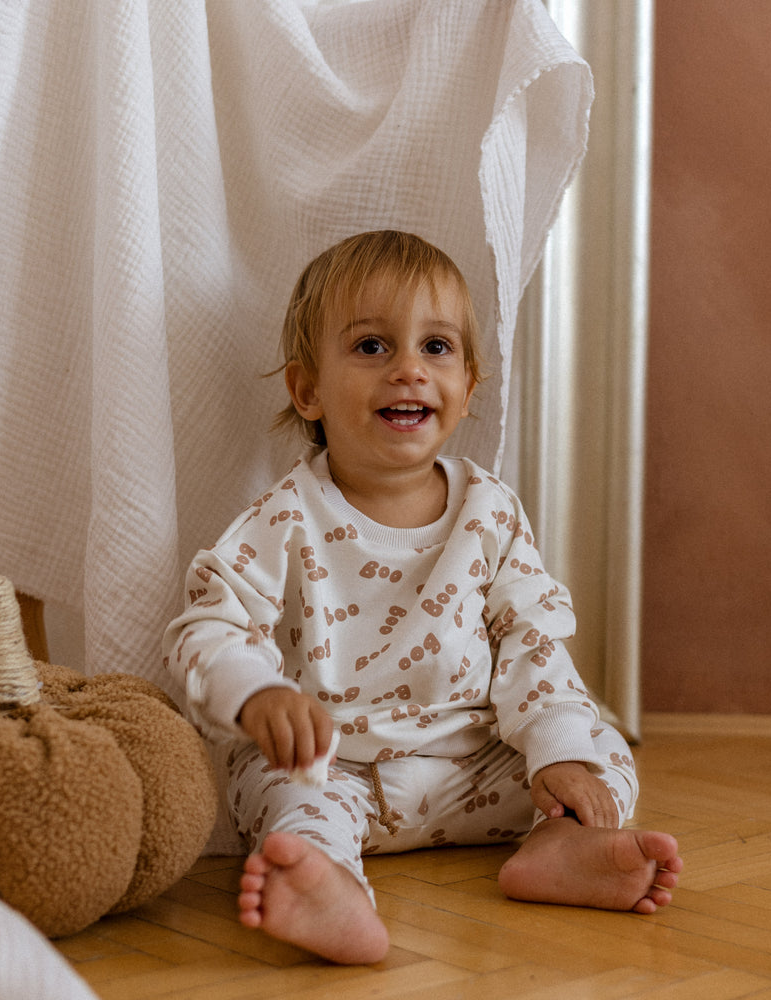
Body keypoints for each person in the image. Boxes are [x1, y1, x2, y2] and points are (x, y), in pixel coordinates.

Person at [163, 230, 681, 965]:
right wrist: (257, 696)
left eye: (435, 348)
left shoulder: (490, 511)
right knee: (276, 792)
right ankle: (330, 887)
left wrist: (555, 754)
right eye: (372, 347)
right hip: (331, 769)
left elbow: (530, 638)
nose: (408, 369)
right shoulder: (284, 517)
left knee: (597, 749)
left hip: (473, 771)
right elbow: (204, 629)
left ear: (467, 388)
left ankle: (561, 847)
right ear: (307, 388)